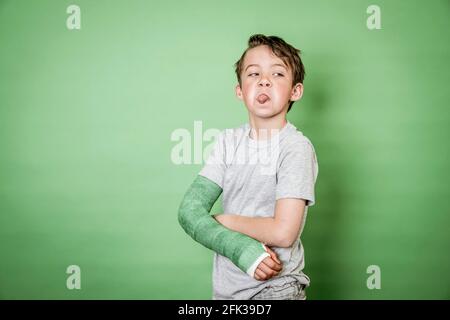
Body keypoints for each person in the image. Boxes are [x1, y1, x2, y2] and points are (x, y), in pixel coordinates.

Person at [178, 34, 319, 300]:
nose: (264, 80)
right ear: (240, 91)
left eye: (277, 74)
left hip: (275, 289)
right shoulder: (227, 141)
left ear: (295, 91)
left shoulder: (295, 148)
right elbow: (189, 210)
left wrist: (222, 222)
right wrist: (241, 249)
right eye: (254, 74)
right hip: (228, 290)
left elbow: (283, 232)